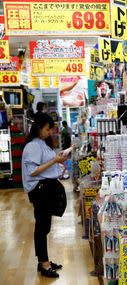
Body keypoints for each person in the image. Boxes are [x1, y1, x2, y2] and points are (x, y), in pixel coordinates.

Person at [22, 113, 68, 278]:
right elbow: (33, 171)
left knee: (44, 225)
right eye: (47, 129)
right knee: (42, 227)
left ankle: (43, 261)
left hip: (44, 189)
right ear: (39, 127)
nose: (50, 132)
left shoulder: (41, 143)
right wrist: (55, 161)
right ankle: (44, 263)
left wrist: (59, 159)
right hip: (39, 190)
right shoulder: (33, 146)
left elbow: (45, 165)